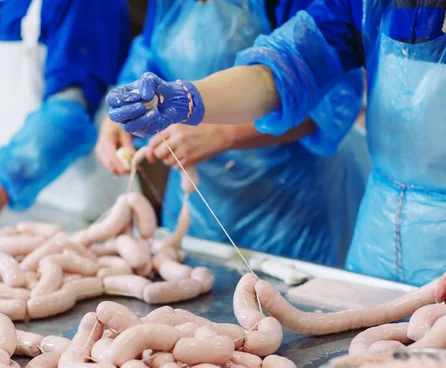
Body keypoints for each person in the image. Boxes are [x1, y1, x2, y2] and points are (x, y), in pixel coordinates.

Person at [108, 0, 446, 289]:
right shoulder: (365, 4)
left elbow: (333, 104)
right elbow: (281, 72)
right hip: (380, 234)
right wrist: (188, 99)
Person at [98, 0, 370, 265]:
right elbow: (148, 56)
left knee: (285, 301)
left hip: (285, 204)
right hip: (200, 201)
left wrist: (222, 133)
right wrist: (126, 109)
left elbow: (330, 100)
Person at [0, 0, 130, 230]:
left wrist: (4, 184)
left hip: (81, 209)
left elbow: (70, 114)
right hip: (7, 204)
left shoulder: (86, 5)